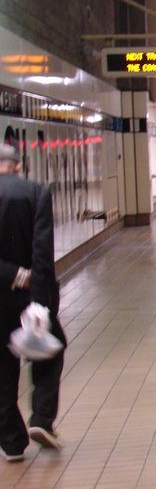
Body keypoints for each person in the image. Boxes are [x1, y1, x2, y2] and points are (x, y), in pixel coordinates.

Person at [0, 143, 65, 460]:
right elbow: (43, 251)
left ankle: (12, 442)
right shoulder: (35, 192)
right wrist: (40, 299)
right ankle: (41, 418)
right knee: (51, 352)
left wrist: (11, 274)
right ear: (16, 165)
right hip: (29, 296)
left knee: (2, 367)